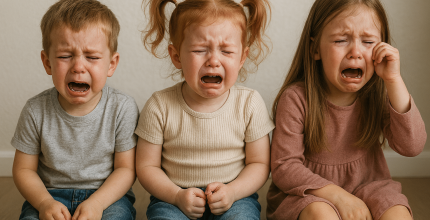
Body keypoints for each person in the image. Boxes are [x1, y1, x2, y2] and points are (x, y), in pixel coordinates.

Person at [267, 0, 427, 219]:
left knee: (398, 213)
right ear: (315, 49)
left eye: (368, 41)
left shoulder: (378, 94)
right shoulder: (295, 99)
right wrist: (338, 196)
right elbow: (285, 168)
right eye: (341, 40)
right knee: (322, 213)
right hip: (309, 192)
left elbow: (413, 146)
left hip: (369, 185)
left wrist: (393, 79)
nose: (356, 52)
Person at [135, 0, 274, 219]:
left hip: (235, 198)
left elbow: (259, 164)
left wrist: (234, 191)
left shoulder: (250, 103)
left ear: (242, 58)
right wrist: (176, 195)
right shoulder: (160, 105)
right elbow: (146, 167)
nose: (213, 61)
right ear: (176, 56)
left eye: (227, 51)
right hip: (174, 199)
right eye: (200, 50)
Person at [11, 0, 139, 219]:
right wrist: (44, 203)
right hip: (49, 194)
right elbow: (23, 170)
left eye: (92, 57)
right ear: (47, 62)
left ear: (111, 64)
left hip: (107, 197)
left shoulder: (122, 108)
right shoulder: (35, 110)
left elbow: (126, 169)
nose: (79, 67)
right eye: (64, 56)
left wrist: (97, 204)